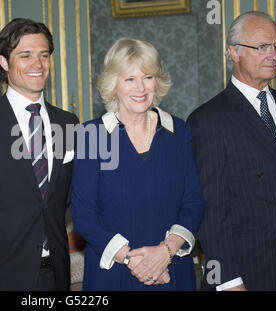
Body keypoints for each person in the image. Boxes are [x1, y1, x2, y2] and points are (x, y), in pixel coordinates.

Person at [0, 18, 79, 290]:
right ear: (4, 62)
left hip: (55, 275)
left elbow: (67, 197)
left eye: (44, 55)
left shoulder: (68, 123)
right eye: (26, 55)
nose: (38, 64)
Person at [71, 37, 205, 290]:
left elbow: (193, 202)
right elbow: (83, 214)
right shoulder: (93, 136)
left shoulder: (179, 132)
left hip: (172, 270)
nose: (140, 88)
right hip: (113, 275)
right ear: (114, 84)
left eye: (147, 77)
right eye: (129, 79)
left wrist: (166, 252)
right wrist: (136, 261)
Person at [187, 11, 276, 291]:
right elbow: (211, 212)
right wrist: (228, 281)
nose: (273, 55)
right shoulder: (208, 120)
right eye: (261, 47)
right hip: (246, 276)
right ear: (233, 52)